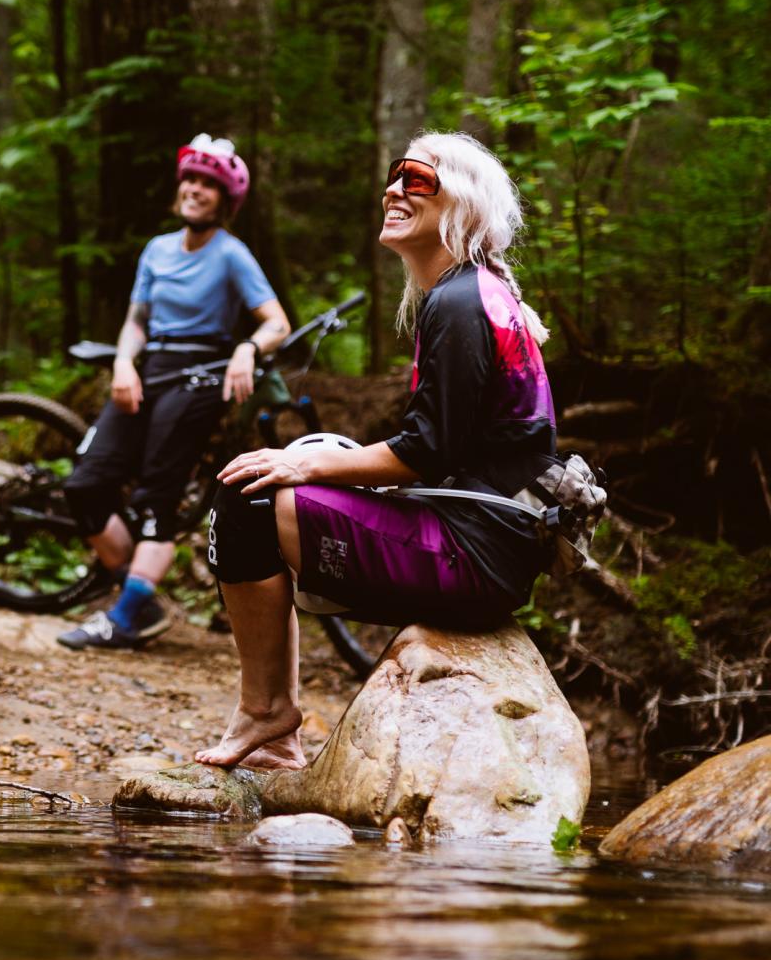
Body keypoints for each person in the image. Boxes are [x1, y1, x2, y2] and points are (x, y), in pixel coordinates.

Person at [196, 131, 558, 771]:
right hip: (487, 544)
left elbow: (425, 451)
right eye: (395, 177)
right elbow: (446, 451)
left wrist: (302, 462)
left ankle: (267, 716)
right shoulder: (473, 292)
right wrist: (316, 459)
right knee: (283, 470)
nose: (393, 190)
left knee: (245, 498)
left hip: (471, 555)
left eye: (417, 179)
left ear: (462, 204)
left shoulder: (461, 301)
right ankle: (274, 724)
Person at [57, 134, 291, 652]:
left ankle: (122, 617)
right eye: (190, 179)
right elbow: (136, 322)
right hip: (149, 368)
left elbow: (276, 322)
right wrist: (123, 363)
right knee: (85, 485)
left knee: (155, 498)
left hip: (201, 374)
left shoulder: (232, 255)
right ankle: (139, 600)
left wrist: (248, 349)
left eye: (209, 184)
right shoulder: (157, 250)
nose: (195, 189)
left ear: (225, 199)